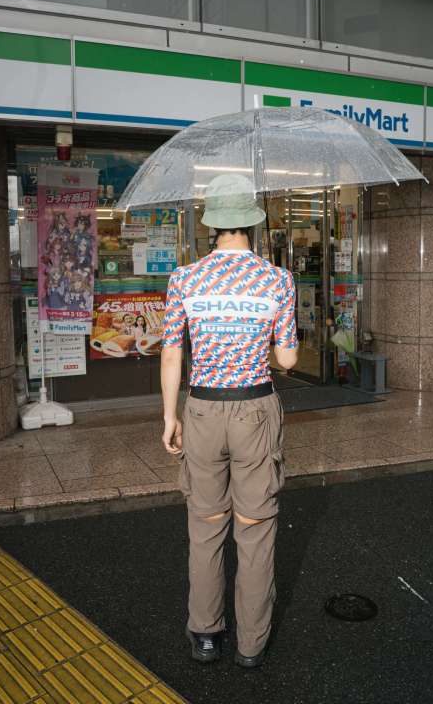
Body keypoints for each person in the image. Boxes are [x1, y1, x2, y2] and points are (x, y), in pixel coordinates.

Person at [160, 174, 298, 669]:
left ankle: (205, 634)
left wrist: (169, 416)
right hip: (255, 410)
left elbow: (171, 353)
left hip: (200, 408)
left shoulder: (184, 279)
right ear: (252, 223)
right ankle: (251, 644)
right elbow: (287, 359)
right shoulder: (278, 279)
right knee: (255, 528)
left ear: (212, 225)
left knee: (205, 524)